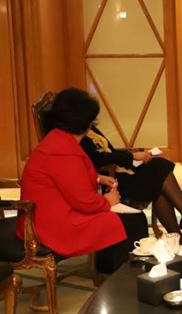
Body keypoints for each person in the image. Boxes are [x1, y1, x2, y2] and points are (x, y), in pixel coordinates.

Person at [18, 88, 148, 273]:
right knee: (132, 222)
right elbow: (85, 202)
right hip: (52, 225)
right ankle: (122, 277)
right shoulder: (63, 151)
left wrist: (98, 178)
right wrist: (108, 202)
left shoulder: (59, 139)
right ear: (87, 124)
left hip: (51, 214)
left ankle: (115, 272)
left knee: (131, 219)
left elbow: (68, 176)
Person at [81, 123, 182, 245]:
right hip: (109, 180)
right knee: (159, 173)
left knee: (158, 174)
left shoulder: (91, 129)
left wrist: (135, 155)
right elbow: (97, 159)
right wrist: (132, 157)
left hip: (121, 171)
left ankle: (180, 231)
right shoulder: (77, 136)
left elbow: (111, 152)